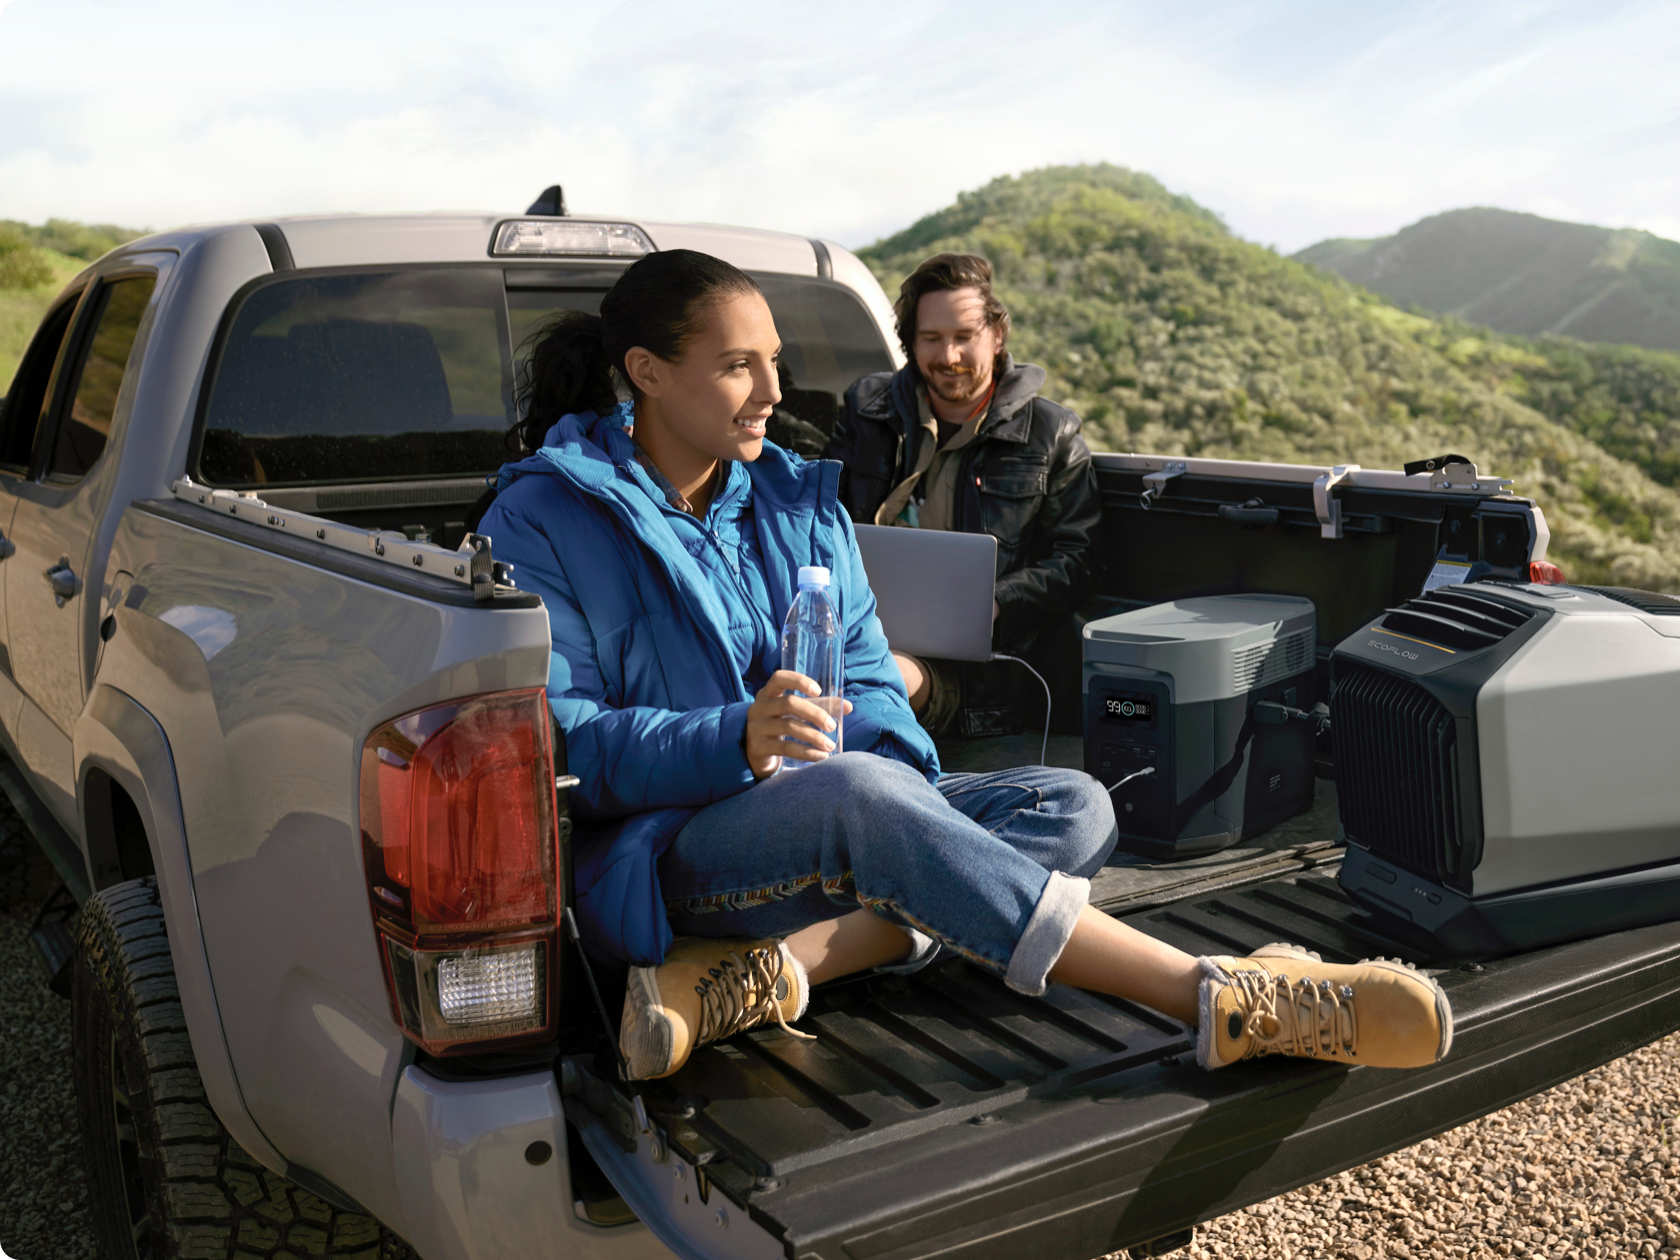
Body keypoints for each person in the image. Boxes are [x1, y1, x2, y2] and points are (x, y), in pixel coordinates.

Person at [479, 249, 1451, 1082]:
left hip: (831, 811)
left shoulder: (796, 499)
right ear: (645, 371)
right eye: (738, 367)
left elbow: (866, 681)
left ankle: (780, 970)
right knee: (863, 792)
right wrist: (733, 738)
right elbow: (558, 741)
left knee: (1074, 804)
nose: (774, 394)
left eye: (773, 363)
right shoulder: (542, 519)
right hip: (666, 848)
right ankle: (1212, 995)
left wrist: (893, 786)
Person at [826, 252, 1102, 736]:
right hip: (857, 626)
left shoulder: (1051, 433)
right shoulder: (866, 410)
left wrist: (991, 602)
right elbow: (820, 515)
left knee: (872, 681)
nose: (949, 356)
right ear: (910, 342)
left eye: (963, 337)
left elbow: (1081, 560)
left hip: (979, 672)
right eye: (931, 339)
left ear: (996, 336)